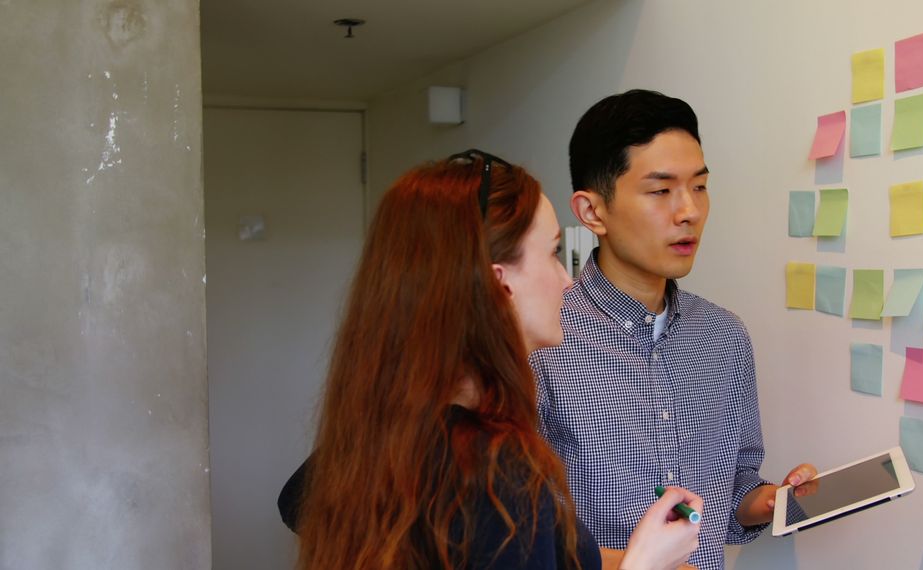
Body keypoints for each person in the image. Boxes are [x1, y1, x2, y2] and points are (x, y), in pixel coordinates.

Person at [293, 150, 703, 569]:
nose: (566, 280)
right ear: (499, 284)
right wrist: (642, 565)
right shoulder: (497, 475)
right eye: (553, 253)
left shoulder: (389, 430)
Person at [529, 90, 817, 570]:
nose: (689, 212)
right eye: (661, 190)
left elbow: (734, 491)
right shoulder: (543, 341)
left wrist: (769, 500)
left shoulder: (724, 336)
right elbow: (528, 542)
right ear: (591, 212)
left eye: (699, 187)